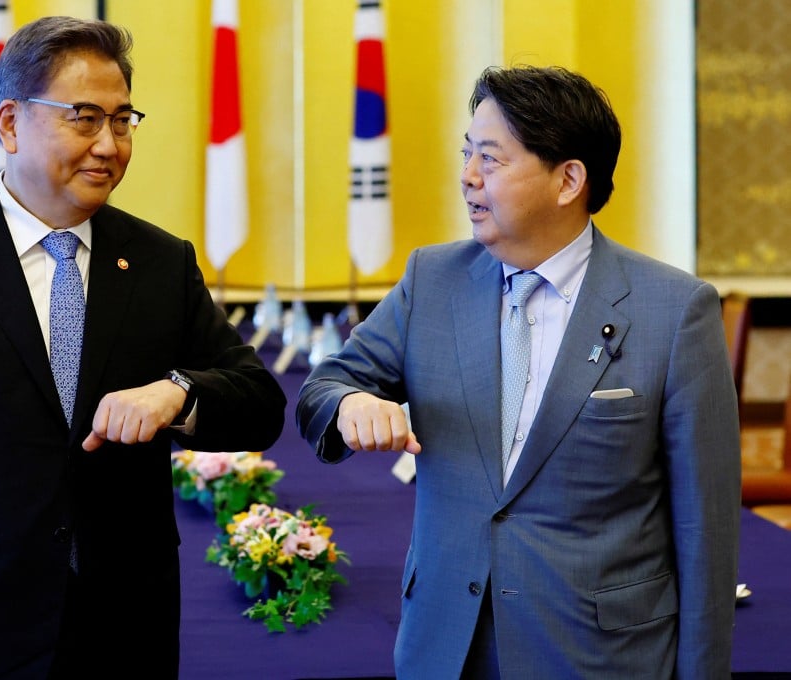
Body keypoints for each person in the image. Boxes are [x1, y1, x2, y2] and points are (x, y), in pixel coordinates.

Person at [0, 16, 286, 680]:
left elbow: (261, 404)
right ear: (11, 123)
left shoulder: (159, 263)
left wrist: (179, 393)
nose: (109, 144)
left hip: (124, 628)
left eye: (123, 119)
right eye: (84, 118)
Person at [296, 64, 741, 679]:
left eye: (491, 159)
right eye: (466, 154)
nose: (467, 176)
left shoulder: (674, 311)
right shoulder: (433, 281)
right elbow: (322, 386)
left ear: (568, 180)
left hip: (600, 654)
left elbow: (706, 528)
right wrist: (350, 405)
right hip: (446, 645)